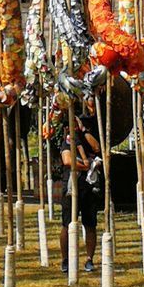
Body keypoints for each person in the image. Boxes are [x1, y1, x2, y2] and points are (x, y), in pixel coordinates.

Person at [59, 117, 102, 273]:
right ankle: (65, 259)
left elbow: (97, 147)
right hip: (72, 187)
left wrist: (84, 131)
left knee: (90, 225)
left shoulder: (86, 138)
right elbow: (67, 160)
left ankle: (89, 259)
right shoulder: (67, 142)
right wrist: (84, 165)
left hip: (88, 187)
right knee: (67, 224)